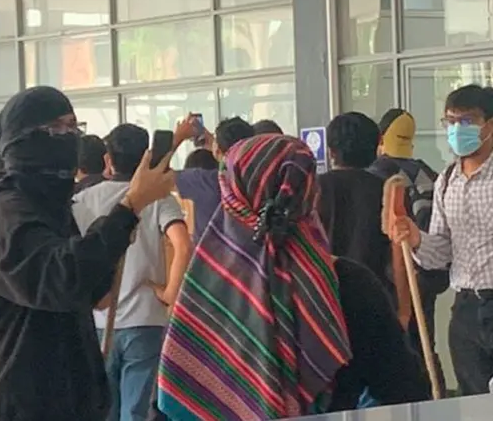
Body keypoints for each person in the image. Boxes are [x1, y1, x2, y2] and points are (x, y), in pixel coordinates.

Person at [158, 135, 430, 420]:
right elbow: (405, 392)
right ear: (310, 192)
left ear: (230, 195)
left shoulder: (199, 291)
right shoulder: (348, 285)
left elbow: (173, 398)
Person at [0, 86, 178, 421]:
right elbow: (60, 279)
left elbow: (96, 295)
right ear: (20, 139)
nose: (67, 139)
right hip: (27, 399)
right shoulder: (8, 211)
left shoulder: (55, 208)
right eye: (55, 129)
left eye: (73, 128)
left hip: (74, 394)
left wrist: (126, 227)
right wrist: (129, 206)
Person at [72, 124, 192, 421]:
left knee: (104, 409)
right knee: (136, 411)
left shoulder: (85, 199)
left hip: (99, 321)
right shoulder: (160, 199)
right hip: (146, 320)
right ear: (144, 160)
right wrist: (170, 293)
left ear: (108, 161)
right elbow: (183, 245)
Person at [390, 85, 493, 396]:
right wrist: (416, 238)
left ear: (489, 124)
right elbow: (440, 253)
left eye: (466, 121)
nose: (456, 129)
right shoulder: (446, 181)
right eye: (450, 121)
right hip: (465, 311)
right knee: (473, 402)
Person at [368, 108, 447, 395]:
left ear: (382, 137)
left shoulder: (378, 175)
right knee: (427, 343)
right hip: (430, 273)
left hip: (395, 280)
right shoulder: (430, 173)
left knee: (401, 349)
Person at [316, 112, 392, 295]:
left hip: (324, 297)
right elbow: (397, 256)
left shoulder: (312, 189)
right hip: (375, 297)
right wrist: (404, 310)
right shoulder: (386, 190)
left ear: (331, 151)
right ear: (375, 149)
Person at [172, 116, 255, 243]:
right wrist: (212, 141)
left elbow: (158, 173)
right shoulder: (260, 179)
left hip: (212, 259)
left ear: (217, 150)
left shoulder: (205, 181)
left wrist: (178, 136)